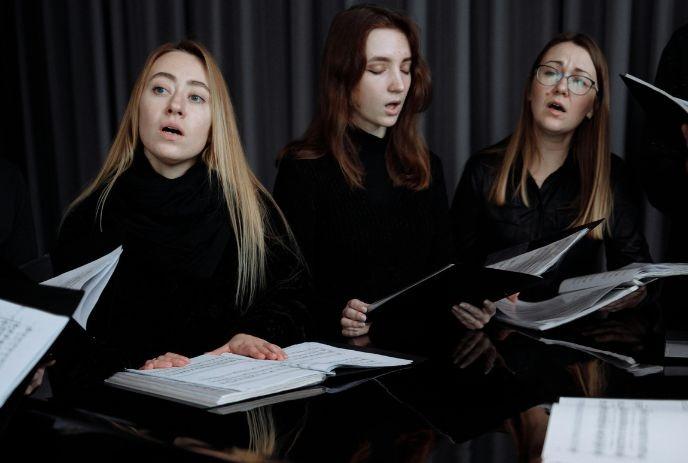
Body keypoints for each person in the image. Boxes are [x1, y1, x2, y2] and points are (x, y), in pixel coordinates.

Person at [52, 40, 308, 380]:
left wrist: (254, 335)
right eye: (160, 89)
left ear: (214, 123)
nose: (175, 106)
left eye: (196, 97)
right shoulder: (87, 219)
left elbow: (294, 299)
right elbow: (68, 345)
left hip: (229, 416)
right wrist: (136, 363)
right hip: (122, 419)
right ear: (137, 107)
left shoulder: (249, 211)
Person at [273, 4, 454, 339]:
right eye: (378, 69)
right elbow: (286, 294)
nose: (399, 85)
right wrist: (338, 314)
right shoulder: (302, 169)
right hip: (342, 366)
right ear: (343, 76)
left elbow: (442, 276)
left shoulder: (428, 166)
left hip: (424, 364)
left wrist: (468, 303)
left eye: (406, 68)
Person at [451, 32, 652, 329]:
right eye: (550, 72)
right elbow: (452, 269)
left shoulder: (612, 176)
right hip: (494, 348)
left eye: (579, 80)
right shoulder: (484, 169)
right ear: (531, 90)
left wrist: (635, 293)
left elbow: (636, 273)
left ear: (592, 108)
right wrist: (468, 301)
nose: (560, 88)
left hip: (577, 349)